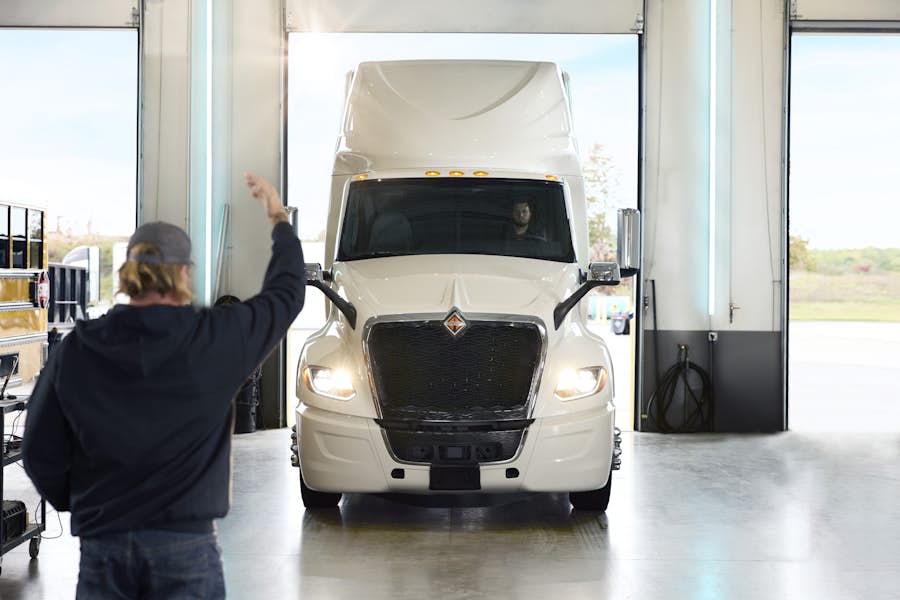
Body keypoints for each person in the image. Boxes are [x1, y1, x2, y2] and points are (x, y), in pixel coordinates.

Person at [22, 173, 304, 599]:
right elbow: (287, 294)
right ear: (184, 275)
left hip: (104, 546)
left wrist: (82, 502)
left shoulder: (78, 349)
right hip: (185, 549)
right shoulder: (213, 339)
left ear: (129, 274)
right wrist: (279, 219)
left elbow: (38, 451)